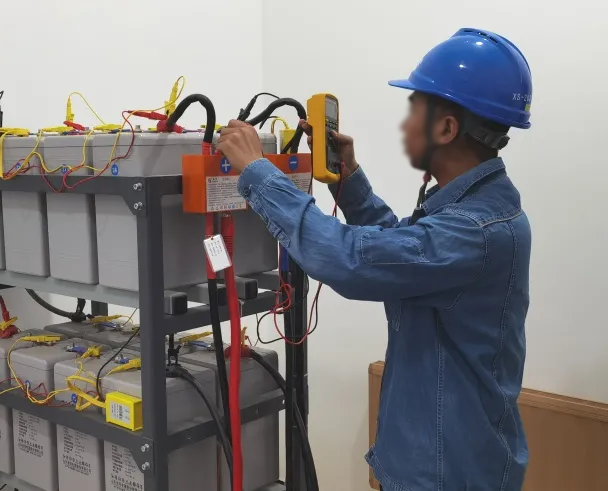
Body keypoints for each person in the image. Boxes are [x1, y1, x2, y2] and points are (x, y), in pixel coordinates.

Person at [217, 28, 532, 491]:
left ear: (446, 129)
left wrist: (258, 172)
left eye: (414, 111)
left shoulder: (476, 230)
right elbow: (402, 252)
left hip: (448, 472)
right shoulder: (472, 210)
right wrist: (349, 180)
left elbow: (353, 260)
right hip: (429, 457)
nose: (405, 125)